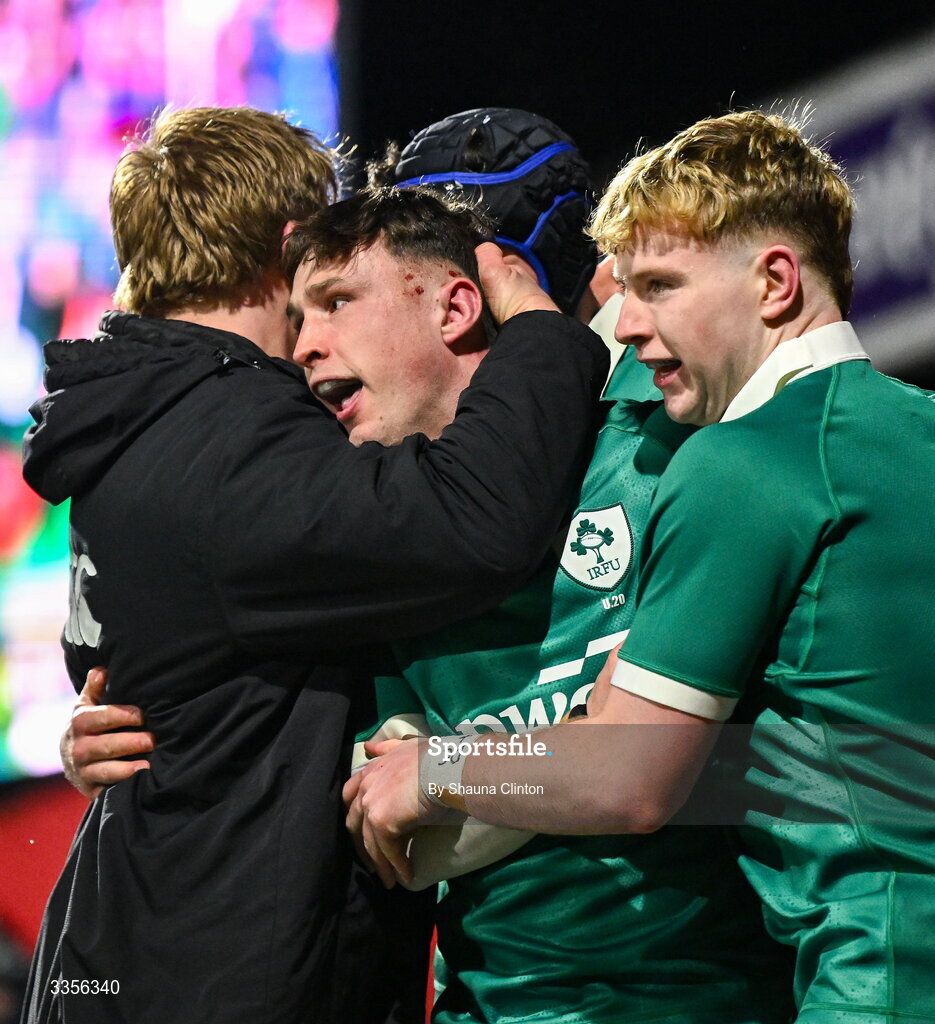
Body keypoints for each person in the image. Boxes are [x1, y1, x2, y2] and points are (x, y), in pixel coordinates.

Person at [66, 110, 792, 1024]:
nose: (301, 348)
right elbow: (403, 835)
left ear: (462, 297)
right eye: (299, 309)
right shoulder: (363, 517)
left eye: (333, 303)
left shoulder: (677, 450)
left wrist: (455, 771)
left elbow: (675, 767)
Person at [20, 107, 606, 1024]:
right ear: (292, 246)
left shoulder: (141, 418)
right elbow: (473, 520)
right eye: (321, 290)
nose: (314, 337)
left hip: (139, 955)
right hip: (207, 980)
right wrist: (539, 326)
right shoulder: (227, 440)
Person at [349, 109, 935, 1023]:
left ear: (774, 282)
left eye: (659, 286)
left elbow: (629, 777)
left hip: (875, 977)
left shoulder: (739, 462)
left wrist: (441, 771)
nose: (631, 321)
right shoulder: (914, 431)